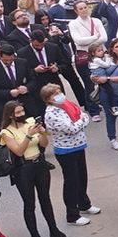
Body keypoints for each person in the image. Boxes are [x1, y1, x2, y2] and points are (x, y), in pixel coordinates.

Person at [0, 101, 65, 237]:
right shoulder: (6, 133)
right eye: (18, 113)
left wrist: (41, 132)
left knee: (45, 198)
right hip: (23, 169)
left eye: (22, 111)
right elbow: (18, 151)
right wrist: (28, 135)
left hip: (39, 163)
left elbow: (44, 143)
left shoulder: (31, 122)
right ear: (10, 116)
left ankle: (53, 229)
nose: (22, 115)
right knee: (29, 204)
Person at [41, 83, 97, 226]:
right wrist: (82, 120)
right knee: (71, 181)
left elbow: (83, 115)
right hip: (65, 150)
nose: (59, 95)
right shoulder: (51, 114)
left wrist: (81, 119)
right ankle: (72, 214)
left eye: (59, 91)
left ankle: (84, 204)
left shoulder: (67, 105)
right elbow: (71, 128)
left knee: (82, 177)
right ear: (48, 99)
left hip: (79, 145)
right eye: (55, 94)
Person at [88, 40, 118, 147]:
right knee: (110, 117)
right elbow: (97, 73)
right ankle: (112, 139)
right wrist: (94, 78)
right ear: (112, 49)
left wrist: (107, 78)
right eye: (116, 46)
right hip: (107, 93)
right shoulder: (107, 60)